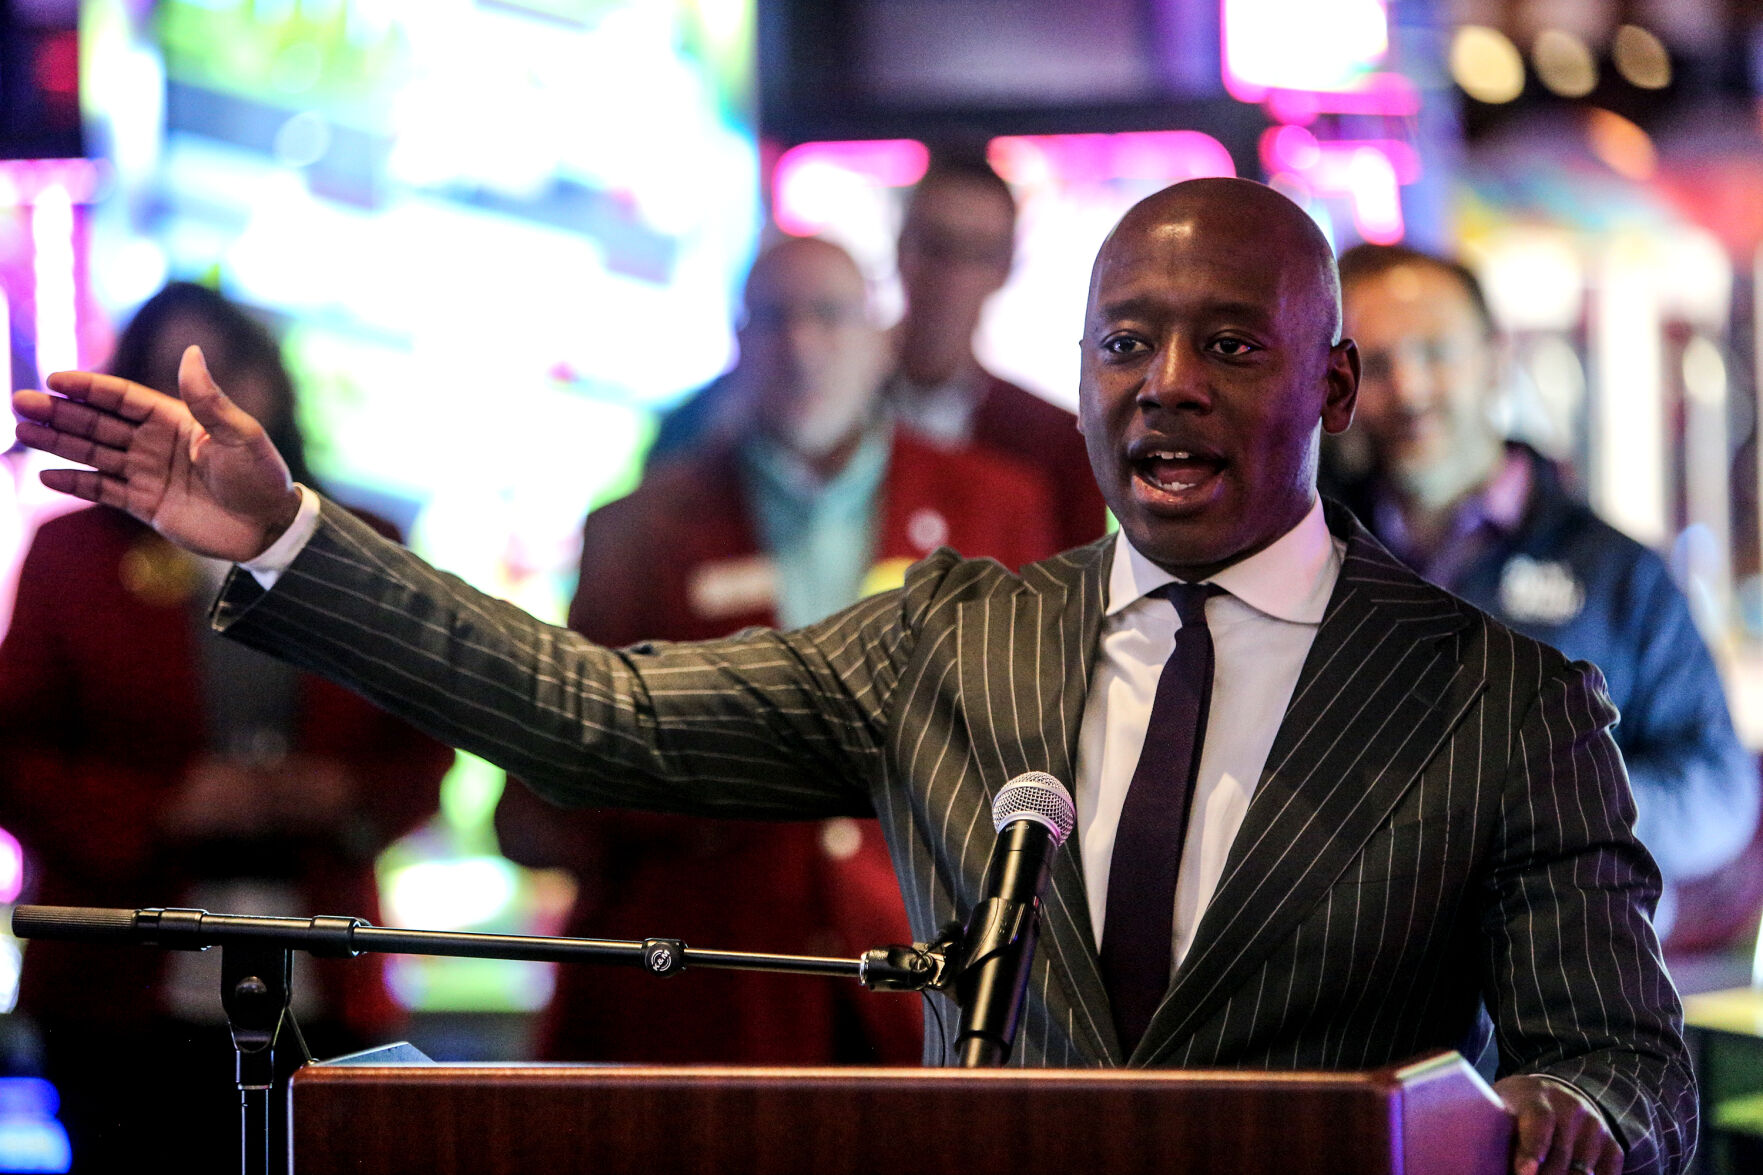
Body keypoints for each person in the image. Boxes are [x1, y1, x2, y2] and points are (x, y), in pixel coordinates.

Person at [13, 179, 1693, 1175]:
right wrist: (289, 536)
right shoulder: (952, 637)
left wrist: (1554, 1120)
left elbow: (1633, 1079)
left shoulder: (1502, 703)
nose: (1165, 386)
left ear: (1324, 382)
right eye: (1125, 343)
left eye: (1228, 345)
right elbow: (587, 714)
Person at [494, 236, 1061, 1065]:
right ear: (735, 342)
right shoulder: (637, 530)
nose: (801, 347)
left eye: (828, 315)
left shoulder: (996, 507)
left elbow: (1044, 745)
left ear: (878, 334)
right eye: (772, 320)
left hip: (941, 980)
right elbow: (551, 786)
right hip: (708, 989)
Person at [0, 282, 455, 1173]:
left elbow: (425, 737)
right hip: (119, 989)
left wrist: (346, 799)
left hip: (329, 967)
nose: (205, 406)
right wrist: (166, 807)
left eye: (227, 371)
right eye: (170, 377)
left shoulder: (361, 540)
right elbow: (12, 754)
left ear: (275, 386)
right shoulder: (73, 553)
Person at [1329, 243, 1758, 936]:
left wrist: (1551, 798)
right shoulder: (1312, 549)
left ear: (1497, 358)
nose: (1408, 388)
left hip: (1564, 985)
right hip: (1362, 984)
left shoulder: (1616, 569)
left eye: (1435, 352)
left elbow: (1719, 794)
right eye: (1374, 364)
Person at [652, 157, 1108, 550]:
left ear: (1006, 266)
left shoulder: (1058, 450)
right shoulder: (768, 408)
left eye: (978, 252)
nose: (951, 275)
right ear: (900, 247)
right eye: (933, 245)